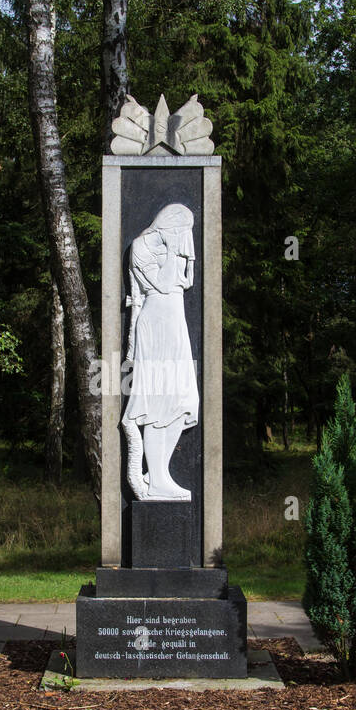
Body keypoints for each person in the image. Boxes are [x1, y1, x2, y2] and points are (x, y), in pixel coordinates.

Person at [122, 203, 200, 501]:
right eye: (182, 229)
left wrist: (185, 257)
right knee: (157, 405)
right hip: (155, 324)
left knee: (184, 401)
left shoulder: (176, 247)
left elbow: (187, 281)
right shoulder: (141, 246)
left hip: (175, 323)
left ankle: (158, 473)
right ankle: (158, 480)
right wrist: (171, 251)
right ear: (168, 224)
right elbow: (165, 284)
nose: (184, 236)